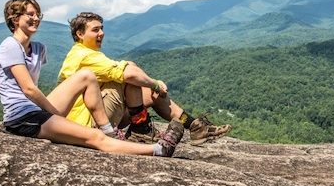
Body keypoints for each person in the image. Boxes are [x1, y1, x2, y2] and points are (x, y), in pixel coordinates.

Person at [0, 0, 183, 157]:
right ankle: (158, 150)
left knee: (86, 76)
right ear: (15, 19)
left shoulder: (38, 49)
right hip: (22, 117)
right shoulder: (10, 45)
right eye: (30, 14)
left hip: (36, 110)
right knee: (95, 138)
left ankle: (108, 129)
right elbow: (29, 89)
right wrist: (53, 114)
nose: (36, 19)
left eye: (38, 14)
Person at [57, 11, 232, 145]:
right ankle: (141, 129)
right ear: (80, 34)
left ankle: (194, 126)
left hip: (94, 117)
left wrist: (153, 87)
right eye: (95, 30)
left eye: (102, 28)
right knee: (132, 76)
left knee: (150, 92)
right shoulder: (85, 55)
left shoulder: (85, 54)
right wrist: (155, 83)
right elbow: (130, 75)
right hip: (87, 124)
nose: (101, 33)